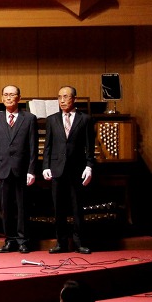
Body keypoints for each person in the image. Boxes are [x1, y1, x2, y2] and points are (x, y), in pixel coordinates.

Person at [42, 85, 95, 254]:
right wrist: (45, 166)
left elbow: (89, 147)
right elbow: (48, 146)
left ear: (74, 99)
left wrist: (89, 166)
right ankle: (61, 243)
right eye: (59, 97)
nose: (62, 100)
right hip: (57, 169)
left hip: (77, 169)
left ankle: (79, 242)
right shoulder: (52, 119)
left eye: (66, 97)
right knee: (59, 208)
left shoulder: (85, 119)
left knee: (77, 207)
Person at [0, 85, 38, 253]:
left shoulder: (29, 118)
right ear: (2, 98)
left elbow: (33, 147)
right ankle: (9, 239)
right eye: (6, 95)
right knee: (6, 207)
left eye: (12, 95)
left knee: (22, 206)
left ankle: (23, 240)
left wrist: (31, 170)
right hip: (2, 169)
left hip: (22, 169)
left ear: (19, 98)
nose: (8, 98)